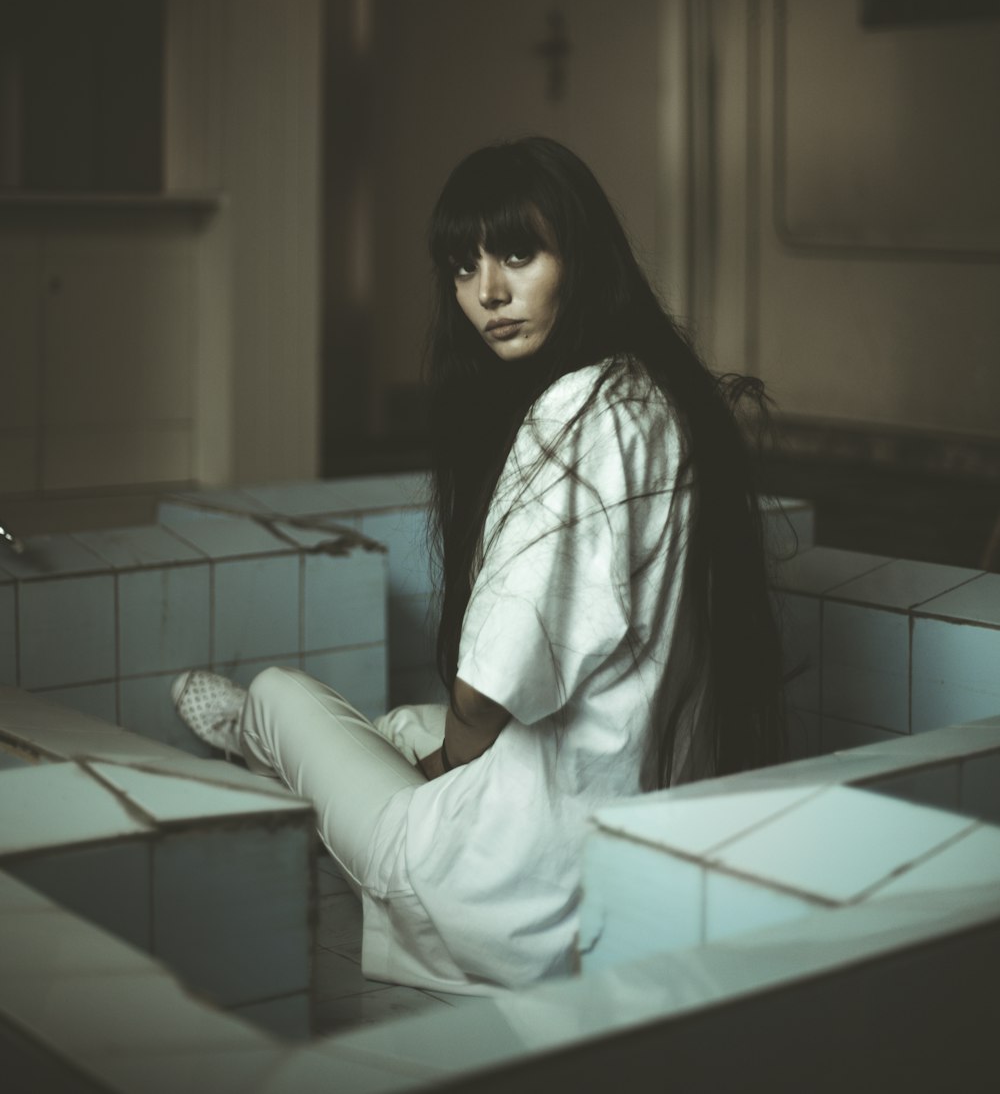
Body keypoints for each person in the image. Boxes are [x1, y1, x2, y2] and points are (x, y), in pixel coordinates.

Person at [172, 135, 786, 994]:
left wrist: (444, 767)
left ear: (582, 257)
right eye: (464, 268)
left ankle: (256, 750)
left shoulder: (574, 419)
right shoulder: (658, 398)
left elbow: (482, 694)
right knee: (395, 730)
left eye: (518, 254)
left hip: (508, 895)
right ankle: (329, 779)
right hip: (626, 876)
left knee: (282, 696)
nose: (488, 293)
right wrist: (444, 752)